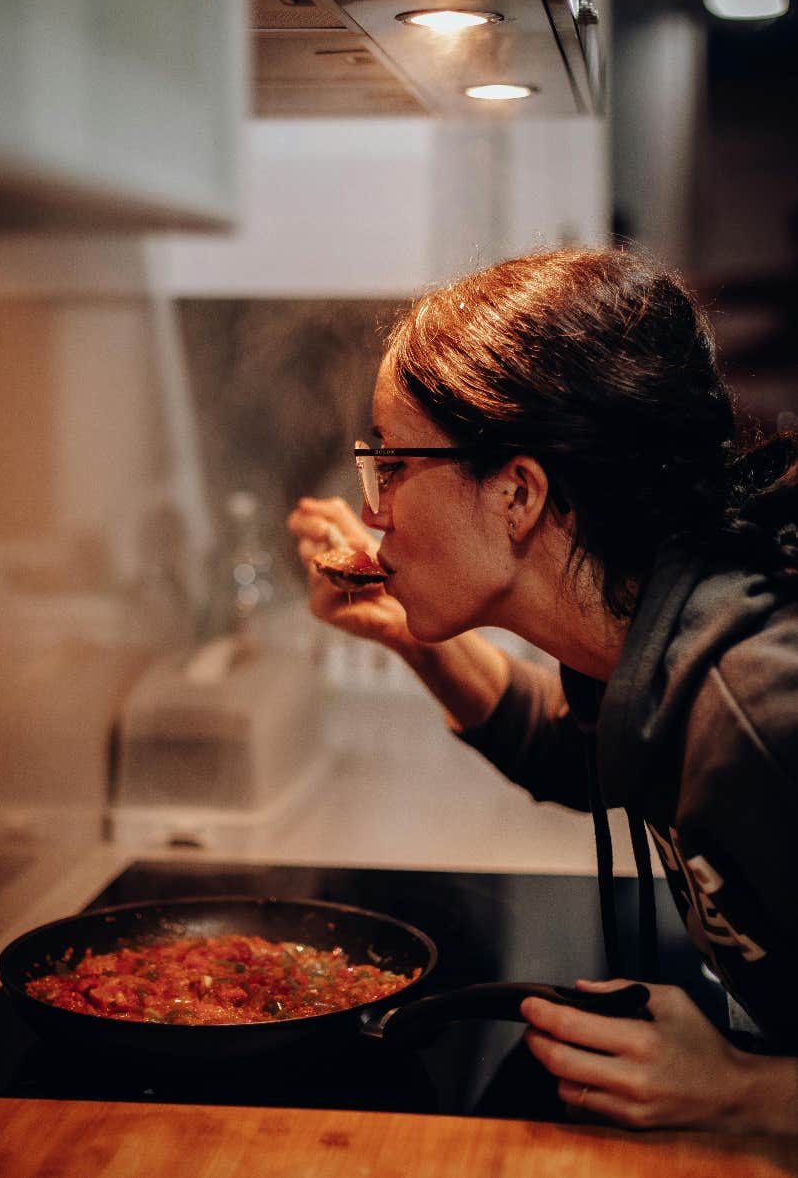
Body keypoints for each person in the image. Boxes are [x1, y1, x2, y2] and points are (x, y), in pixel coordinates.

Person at [287, 246, 798, 1134]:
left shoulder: (761, 711)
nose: (373, 510)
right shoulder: (656, 637)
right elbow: (568, 748)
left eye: (393, 466)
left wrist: (743, 1089)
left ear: (516, 494)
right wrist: (411, 637)